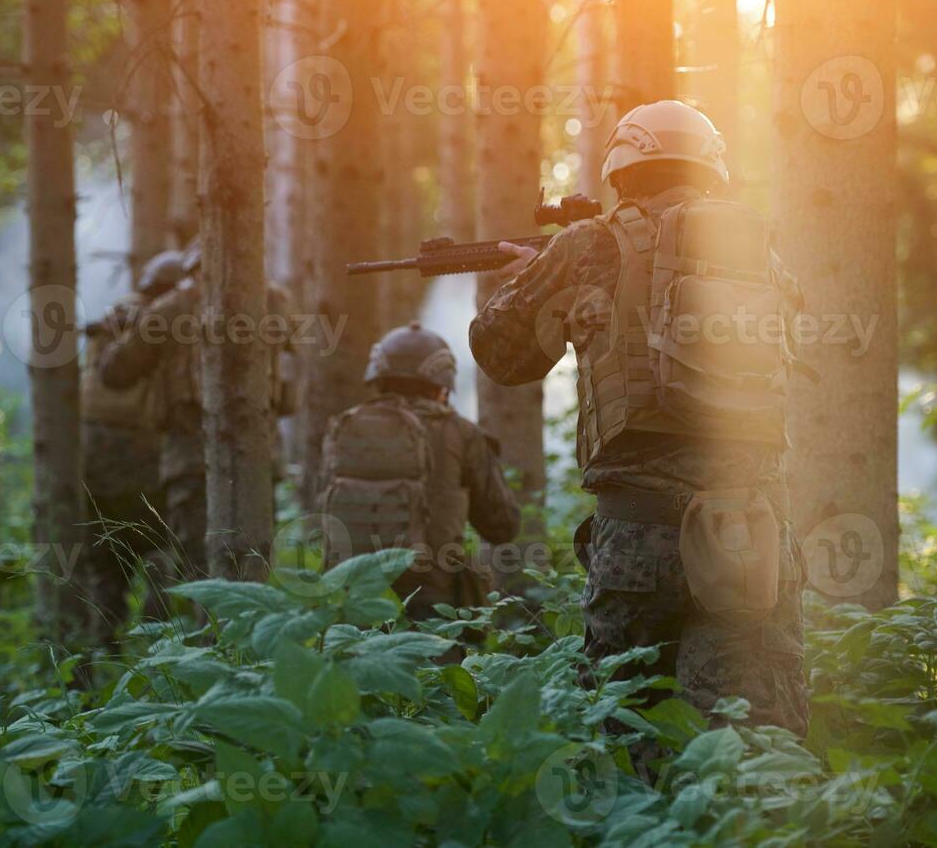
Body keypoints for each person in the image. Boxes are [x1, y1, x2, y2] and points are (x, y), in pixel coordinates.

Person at [469, 100, 811, 736]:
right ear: (711, 170)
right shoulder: (758, 248)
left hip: (639, 535)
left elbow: (500, 355)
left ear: (622, 169)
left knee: (630, 735)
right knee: (753, 738)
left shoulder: (589, 243)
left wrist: (525, 281)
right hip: (752, 529)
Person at [99, 247, 296, 590]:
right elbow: (290, 392)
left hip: (192, 460)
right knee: (255, 565)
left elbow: (116, 373)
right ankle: (250, 641)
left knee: (201, 571)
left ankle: (208, 641)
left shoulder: (169, 309)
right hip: (258, 459)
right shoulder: (276, 301)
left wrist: (115, 331)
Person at [318, 323, 521, 618]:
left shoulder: (344, 427)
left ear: (377, 379)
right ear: (442, 384)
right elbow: (502, 525)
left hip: (354, 597)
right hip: (433, 602)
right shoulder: (461, 433)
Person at [79, 249, 186, 639]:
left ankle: (103, 650)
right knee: (162, 547)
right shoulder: (156, 323)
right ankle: (155, 642)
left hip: (92, 455)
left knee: (107, 562)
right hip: (140, 453)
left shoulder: (113, 319)